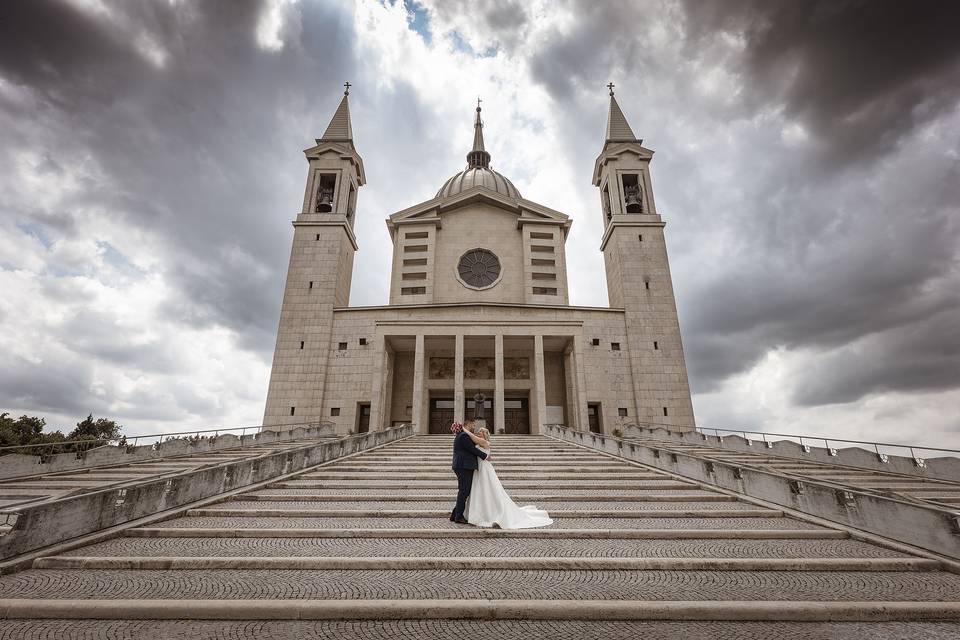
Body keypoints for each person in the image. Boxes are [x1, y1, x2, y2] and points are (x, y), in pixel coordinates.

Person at [462, 426, 553, 529]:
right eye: (479, 432)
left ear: (485, 434)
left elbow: (472, 437)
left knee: (489, 489)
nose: (479, 433)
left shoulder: (485, 443)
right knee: (480, 490)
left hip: (485, 469)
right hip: (478, 469)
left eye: (481, 432)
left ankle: (491, 513)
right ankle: (478, 513)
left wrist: (463, 429)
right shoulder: (479, 443)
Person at [450, 419, 488, 524]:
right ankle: (458, 516)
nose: (474, 426)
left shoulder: (463, 435)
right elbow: (472, 449)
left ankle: (455, 513)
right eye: (473, 425)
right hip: (463, 466)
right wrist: (485, 456)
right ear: (468, 424)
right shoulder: (463, 436)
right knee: (464, 491)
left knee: (465, 490)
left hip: (463, 466)